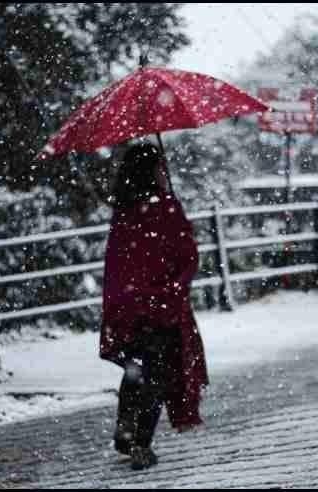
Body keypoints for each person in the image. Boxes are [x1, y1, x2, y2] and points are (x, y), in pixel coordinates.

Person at [99, 143, 208, 470]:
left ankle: (124, 428)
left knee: (137, 369)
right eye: (159, 166)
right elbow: (186, 257)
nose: (163, 171)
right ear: (152, 171)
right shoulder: (165, 208)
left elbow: (119, 263)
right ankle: (141, 443)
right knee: (159, 374)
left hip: (128, 309)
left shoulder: (124, 211)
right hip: (162, 307)